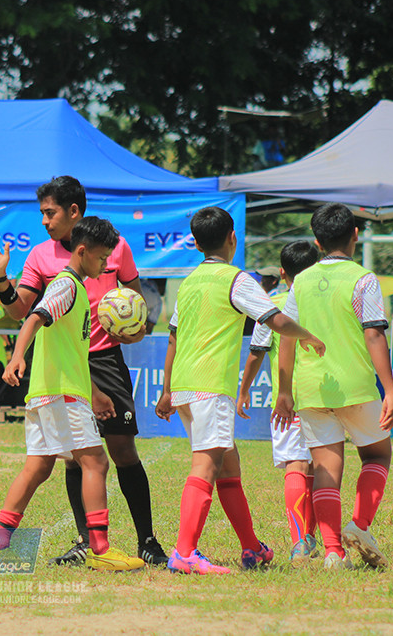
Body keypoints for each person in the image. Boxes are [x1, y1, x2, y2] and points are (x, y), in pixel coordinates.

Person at [0, 175, 170, 567]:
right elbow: (25, 314)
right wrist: (2, 282)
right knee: (86, 460)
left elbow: (137, 303)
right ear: (87, 253)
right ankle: (94, 546)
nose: (45, 221)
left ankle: (144, 539)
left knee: (114, 451)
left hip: (91, 362)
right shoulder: (59, 273)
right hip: (64, 373)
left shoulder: (111, 248)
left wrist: (137, 330)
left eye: (50, 213)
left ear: (74, 211)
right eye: (43, 213)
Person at [154, 206, 325, 575]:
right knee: (207, 464)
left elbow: (173, 337)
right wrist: (306, 334)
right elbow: (273, 318)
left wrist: (167, 390)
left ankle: (252, 548)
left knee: (229, 467)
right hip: (210, 387)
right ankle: (184, 552)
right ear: (233, 238)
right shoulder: (237, 279)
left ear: (196, 243)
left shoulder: (189, 283)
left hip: (185, 385)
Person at [273, 202, 393, 570]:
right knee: (377, 454)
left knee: (326, 469)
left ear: (316, 240)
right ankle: (359, 526)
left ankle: (332, 552)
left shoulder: (302, 281)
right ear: (355, 234)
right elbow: (373, 332)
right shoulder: (363, 278)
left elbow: (286, 337)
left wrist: (284, 392)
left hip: (311, 388)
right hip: (355, 386)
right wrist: (388, 388)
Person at [238, 240, 320, 563]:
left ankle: (300, 542)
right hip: (327, 396)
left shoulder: (274, 306)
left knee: (296, 466)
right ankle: (317, 539)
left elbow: (256, 353)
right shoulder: (324, 302)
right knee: (320, 465)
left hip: (290, 399)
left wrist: (244, 390)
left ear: (282, 272)